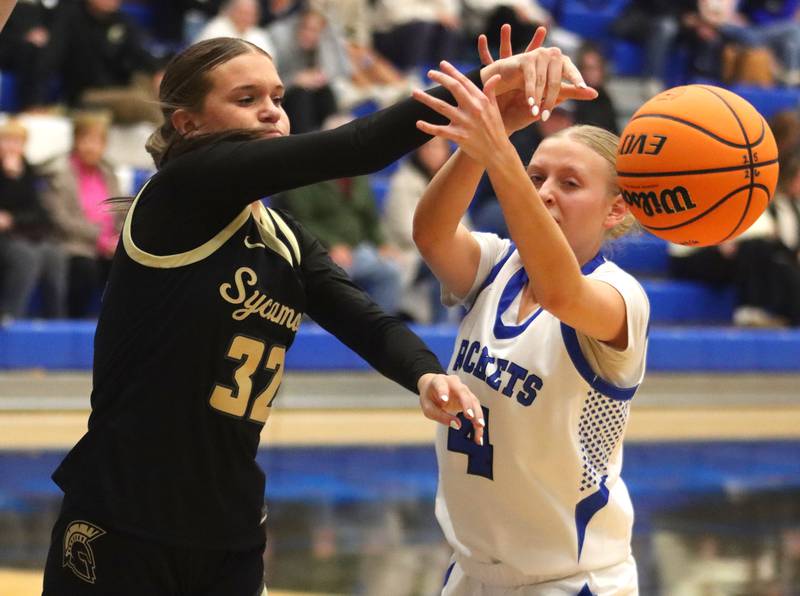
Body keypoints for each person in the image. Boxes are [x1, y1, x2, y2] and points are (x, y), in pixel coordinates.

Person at [41, 32, 595, 595]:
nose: (271, 112)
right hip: (124, 514)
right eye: (246, 98)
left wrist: (426, 374)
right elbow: (359, 147)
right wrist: (483, 86)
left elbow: (364, 320)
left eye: (278, 98)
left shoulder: (283, 239)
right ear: (189, 125)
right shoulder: (177, 195)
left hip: (228, 527)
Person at [410, 38, 648, 594]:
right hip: (471, 573)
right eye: (536, 176)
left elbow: (561, 293)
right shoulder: (497, 264)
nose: (543, 193)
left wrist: (501, 155)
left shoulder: (621, 296)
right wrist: (489, 132)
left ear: (617, 209)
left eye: (569, 184)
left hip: (571, 581)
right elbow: (431, 234)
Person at [39, 112, 122, 318]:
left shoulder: (109, 173)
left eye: (97, 141)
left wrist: (117, 238)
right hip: (70, 243)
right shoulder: (59, 173)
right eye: (86, 139)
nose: (91, 146)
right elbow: (60, 218)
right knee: (85, 267)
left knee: (125, 263)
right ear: (76, 141)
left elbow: (120, 213)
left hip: (108, 245)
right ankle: (76, 320)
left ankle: (117, 322)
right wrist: (100, 238)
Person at [0, 118, 67, 322]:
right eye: (7, 141)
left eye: (18, 142)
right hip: (6, 238)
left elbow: (39, 212)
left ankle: (56, 321)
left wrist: (13, 218)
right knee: (26, 256)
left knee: (55, 254)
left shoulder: (29, 171)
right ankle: (11, 316)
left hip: (23, 231)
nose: (13, 146)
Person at [195, 0, 276, 56]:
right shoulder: (216, 28)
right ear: (231, 11)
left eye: (250, 14)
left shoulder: (259, 35)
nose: (245, 17)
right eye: (242, 12)